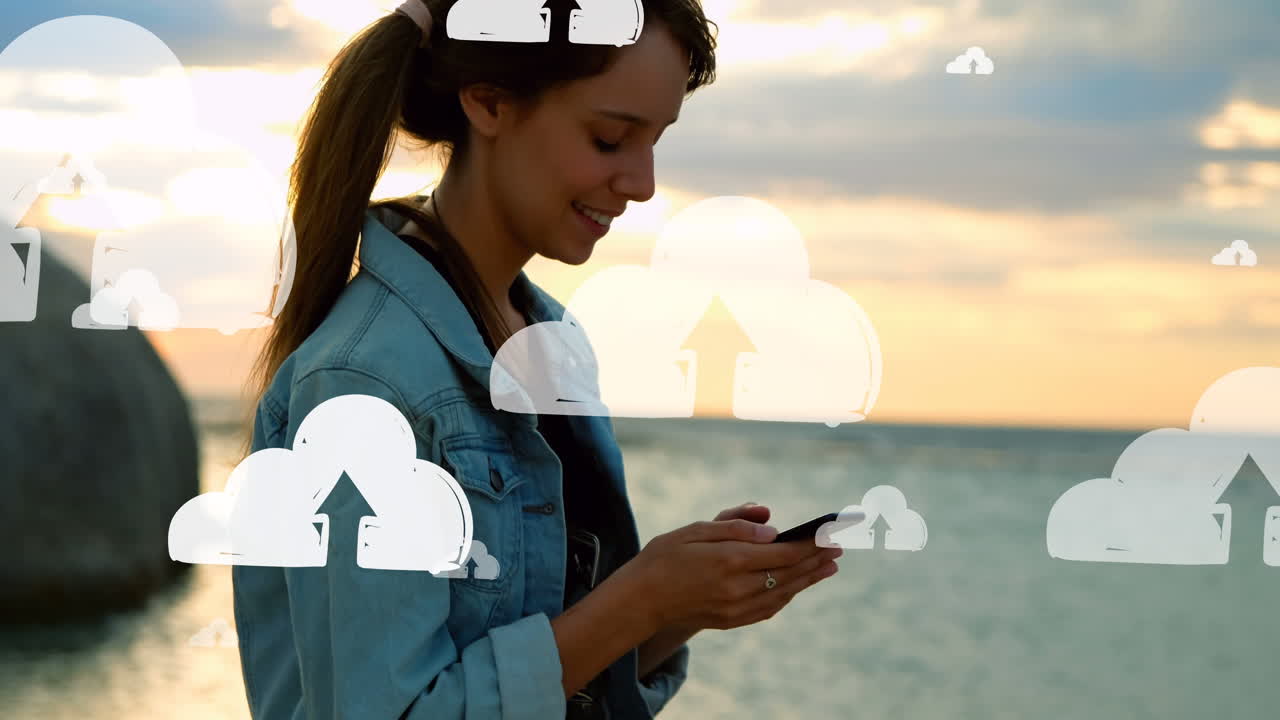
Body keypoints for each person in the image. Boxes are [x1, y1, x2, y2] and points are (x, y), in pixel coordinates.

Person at [233, 1, 843, 718]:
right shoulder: (365, 385)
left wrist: (683, 604)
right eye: (611, 137)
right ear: (489, 103)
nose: (642, 183)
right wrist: (641, 595)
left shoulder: (550, 343)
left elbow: (560, 680)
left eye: (656, 140)